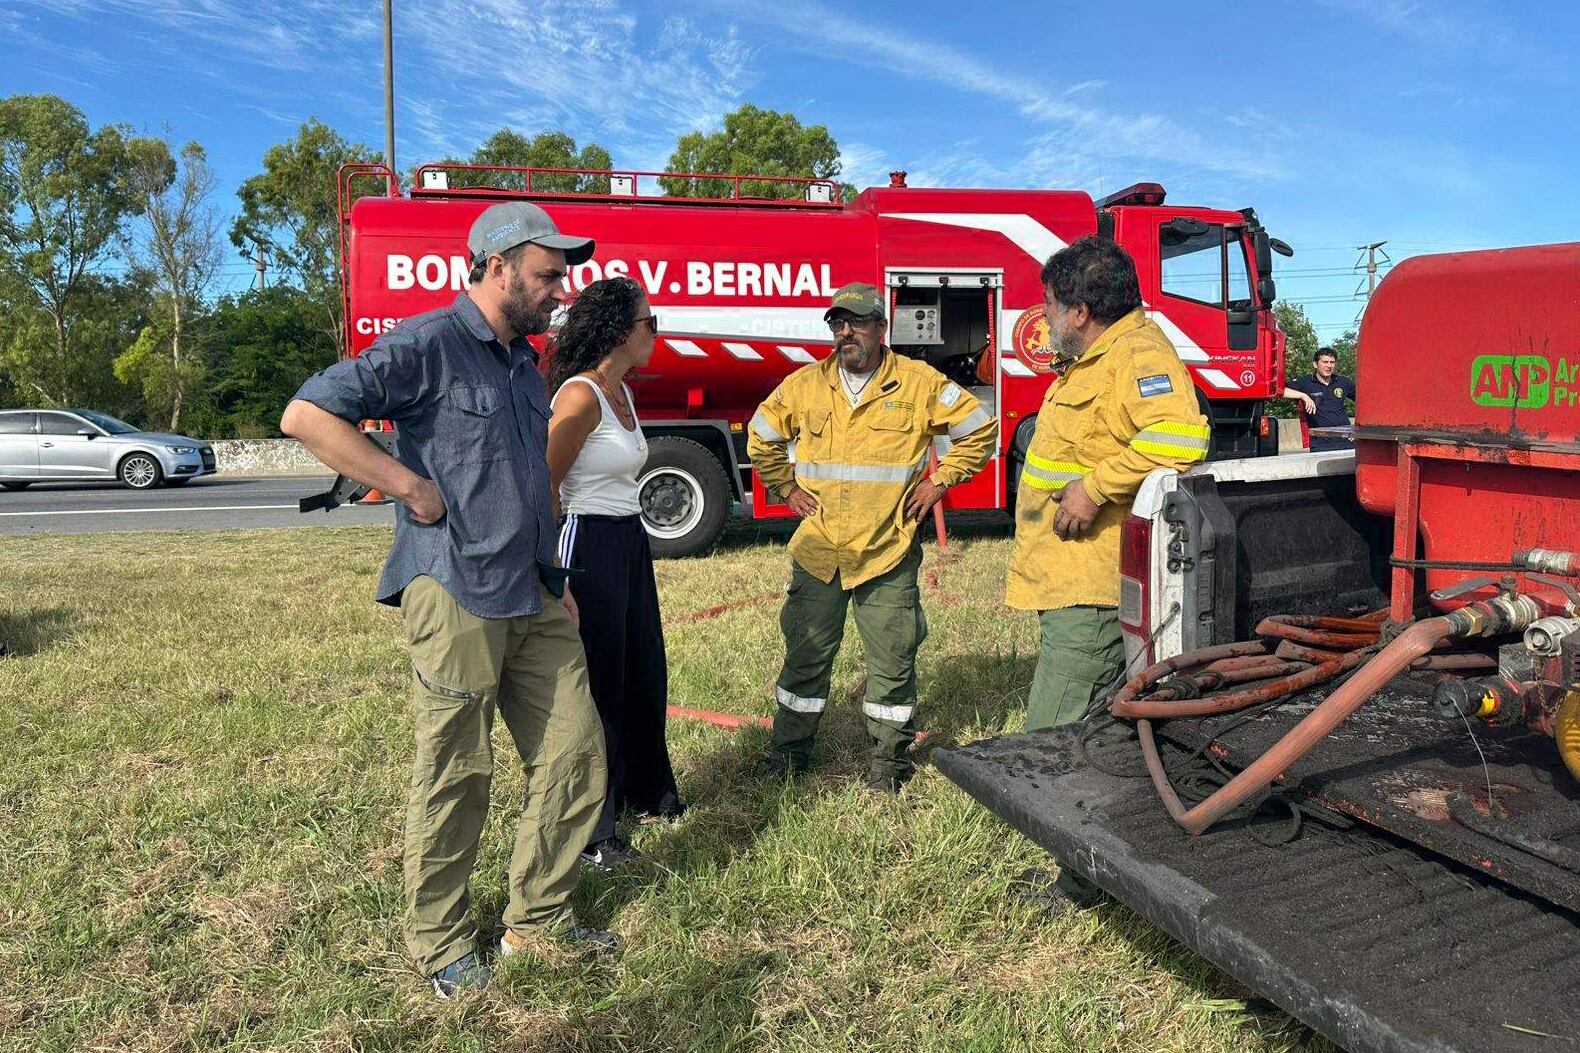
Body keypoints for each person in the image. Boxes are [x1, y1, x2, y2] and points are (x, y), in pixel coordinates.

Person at [280, 201, 614, 1001]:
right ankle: (439, 945)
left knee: (576, 753)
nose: (561, 289)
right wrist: (405, 484)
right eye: (547, 275)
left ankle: (537, 921)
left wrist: (555, 581)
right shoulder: (430, 343)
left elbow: (532, 479)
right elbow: (305, 411)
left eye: (562, 276)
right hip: (457, 587)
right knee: (457, 771)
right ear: (497, 267)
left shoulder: (520, 363)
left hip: (533, 592)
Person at [1004, 235, 1210, 905]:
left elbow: (1180, 435)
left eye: (1051, 305)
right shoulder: (1101, 354)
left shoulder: (1137, 353)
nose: (1046, 317)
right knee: (1086, 721)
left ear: (1081, 310)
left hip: (1092, 583)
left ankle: (1077, 877)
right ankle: (1087, 862)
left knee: (1058, 731)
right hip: (1068, 571)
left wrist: (1095, 487)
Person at [747, 282, 997, 792]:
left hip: (887, 551)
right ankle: (790, 755)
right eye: (838, 323)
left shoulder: (919, 382)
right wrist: (785, 487)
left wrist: (939, 481)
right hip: (819, 552)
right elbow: (762, 436)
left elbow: (980, 428)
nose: (846, 333)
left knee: (892, 664)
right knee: (806, 658)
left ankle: (888, 767)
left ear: (882, 329)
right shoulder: (804, 386)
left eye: (857, 322)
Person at [545, 277, 683, 871]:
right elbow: (543, 485)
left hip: (629, 539)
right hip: (586, 541)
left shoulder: (622, 392)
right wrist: (558, 574)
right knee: (598, 682)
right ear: (622, 330)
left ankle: (645, 791)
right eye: (651, 322)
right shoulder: (579, 397)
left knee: (642, 667)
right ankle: (594, 833)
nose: (658, 331)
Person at [1284, 347, 1357, 452]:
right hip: (1321, 445)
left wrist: (1358, 428)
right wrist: (1302, 395)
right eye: (1325, 362)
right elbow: (1280, 391)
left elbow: (1364, 402)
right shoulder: (1305, 383)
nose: (1329, 366)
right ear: (1315, 364)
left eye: (1332, 362)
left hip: (1347, 443)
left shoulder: (1343, 382)